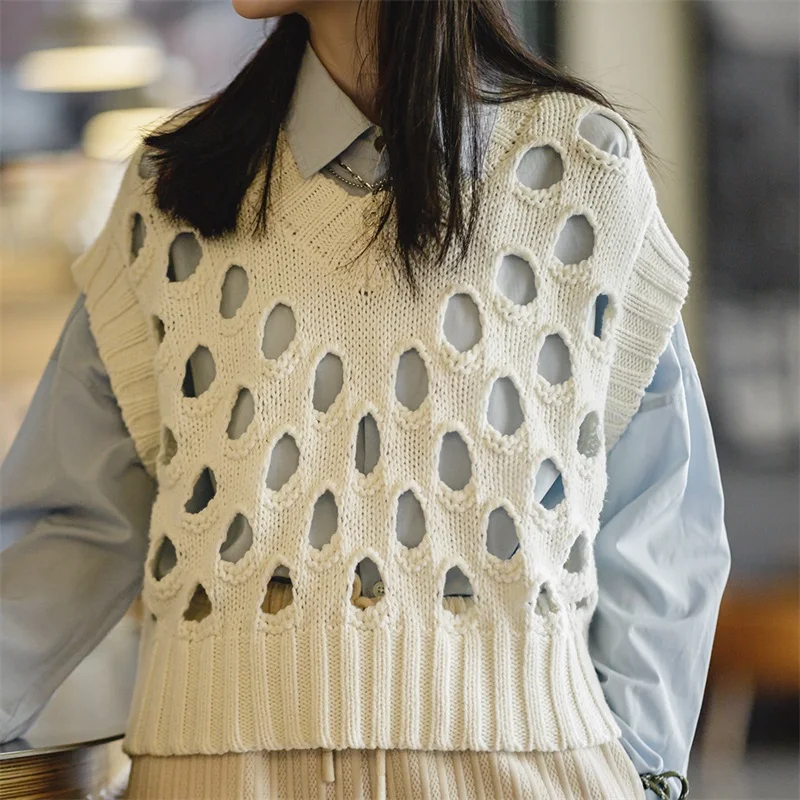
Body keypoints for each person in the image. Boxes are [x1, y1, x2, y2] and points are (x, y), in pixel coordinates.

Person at [0, 1, 730, 798]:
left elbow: (660, 521)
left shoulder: (583, 177)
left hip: (529, 773)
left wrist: (649, 774)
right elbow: (68, 529)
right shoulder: (171, 193)